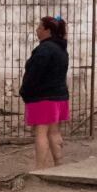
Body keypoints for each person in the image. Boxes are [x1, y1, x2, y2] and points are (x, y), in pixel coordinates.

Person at [21, 15, 70, 169]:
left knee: (41, 132)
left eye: (39, 27)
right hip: (60, 96)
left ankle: (40, 168)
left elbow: (34, 74)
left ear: (47, 30)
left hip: (43, 98)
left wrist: (25, 91)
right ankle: (59, 165)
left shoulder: (44, 49)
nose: (37, 30)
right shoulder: (62, 49)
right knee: (54, 132)